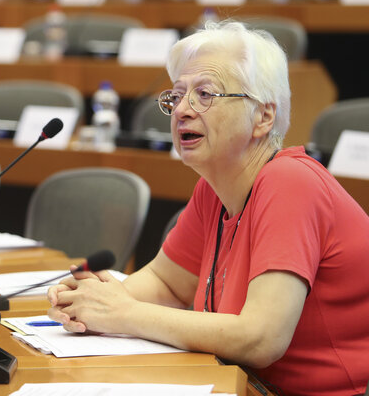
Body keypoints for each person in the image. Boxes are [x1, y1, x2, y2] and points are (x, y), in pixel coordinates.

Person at [48, 21, 369, 396]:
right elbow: (167, 283)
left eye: (204, 95)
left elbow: (261, 339)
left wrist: (124, 314)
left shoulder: (291, 183)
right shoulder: (213, 190)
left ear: (263, 117)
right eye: (178, 95)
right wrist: (88, 302)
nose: (182, 110)